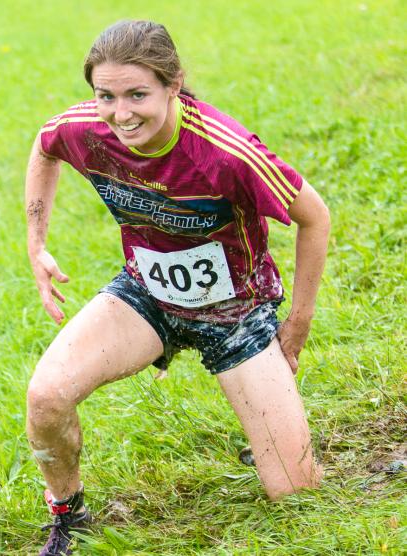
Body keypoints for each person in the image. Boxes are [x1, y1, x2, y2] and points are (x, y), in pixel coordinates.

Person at [25, 20, 329, 556]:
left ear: (174, 85)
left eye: (137, 95)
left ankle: (269, 427)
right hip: (149, 292)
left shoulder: (225, 152)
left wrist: (298, 324)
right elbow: (45, 145)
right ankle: (69, 515)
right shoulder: (88, 129)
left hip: (236, 311)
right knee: (46, 397)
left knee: (294, 491)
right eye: (106, 96)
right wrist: (37, 244)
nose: (121, 114)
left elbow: (315, 217)